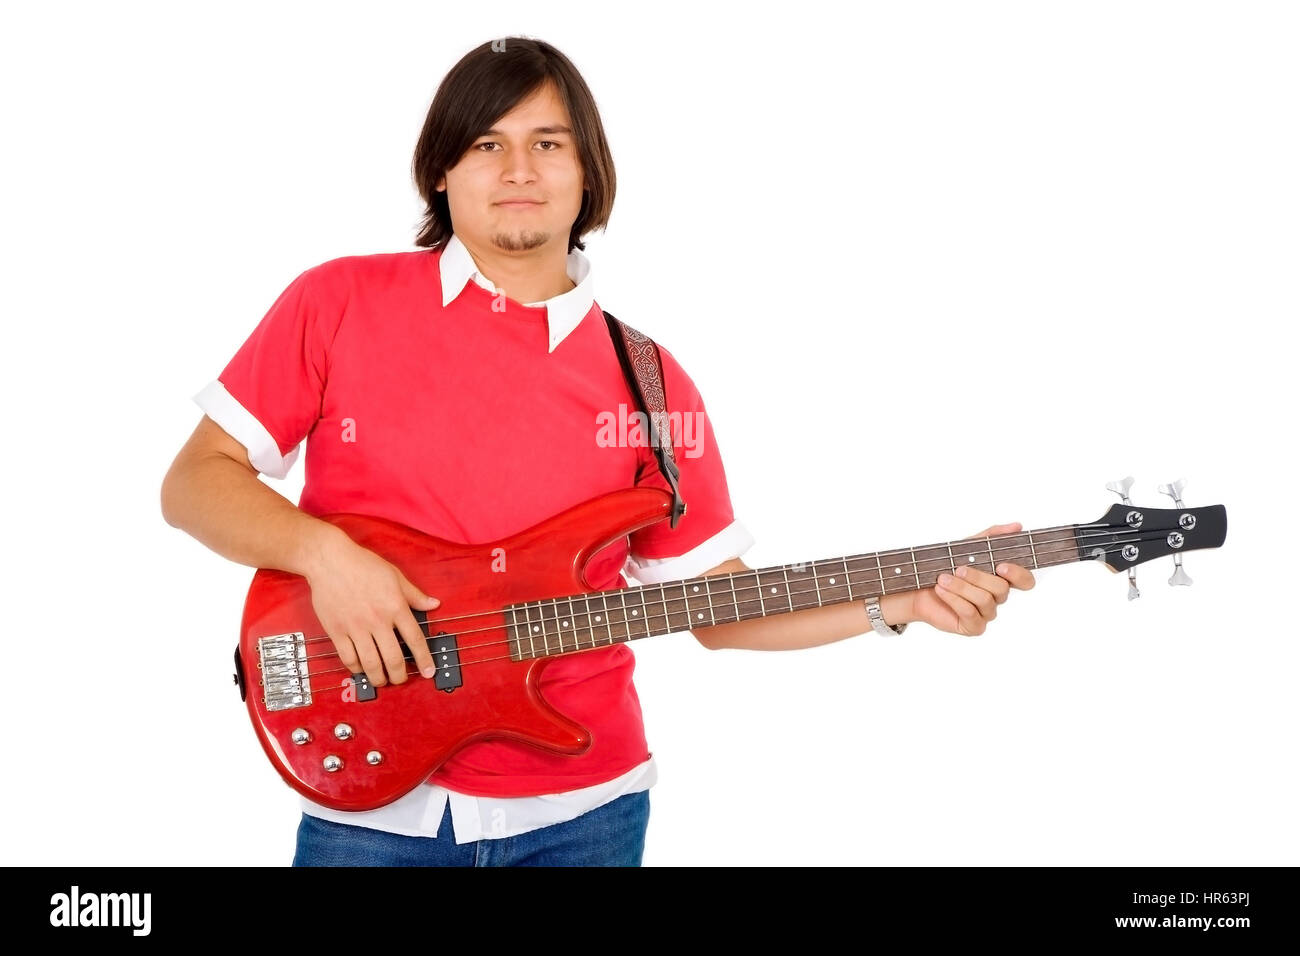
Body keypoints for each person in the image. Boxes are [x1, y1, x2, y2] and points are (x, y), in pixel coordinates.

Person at [160, 37, 1035, 867]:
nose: (518, 170)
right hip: (370, 809)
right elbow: (195, 482)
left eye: (548, 142)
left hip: (585, 816)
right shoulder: (337, 300)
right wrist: (325, 557)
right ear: (441, 170)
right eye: (485, 144)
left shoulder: (653, 384)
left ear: (587, 173)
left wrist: (901, 602)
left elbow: (717, 611)